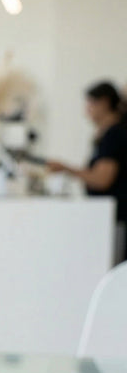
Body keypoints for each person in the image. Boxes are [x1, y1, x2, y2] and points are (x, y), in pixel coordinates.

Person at [47, 81, 127, 262]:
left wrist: (65, 168)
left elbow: (101, 179)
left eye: (90, 104)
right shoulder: (105, 134)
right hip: (109, 218)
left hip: (118, 219)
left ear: (105, 102)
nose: (86, 110)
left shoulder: (114, 135)